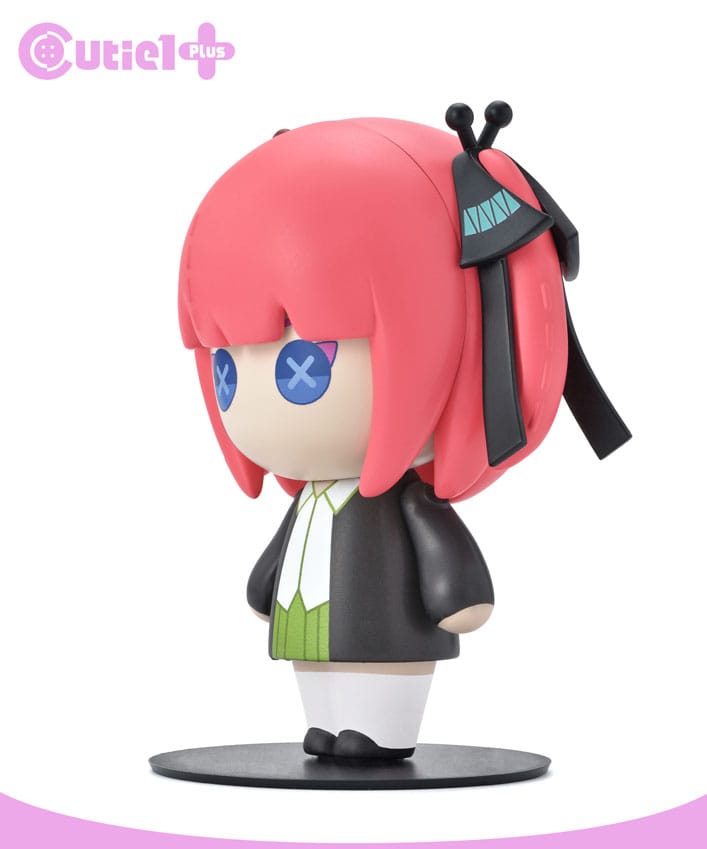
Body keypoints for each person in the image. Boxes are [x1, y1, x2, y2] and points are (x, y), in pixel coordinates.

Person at [177, 108, 629, 760]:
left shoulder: (408, 502)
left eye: (304, 366)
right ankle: (326, 724)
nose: (248, 400)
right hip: (310, 624)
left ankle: (381, 730)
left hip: (387, 632)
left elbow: (444, 559)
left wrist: (458, 596)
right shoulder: (311, 498)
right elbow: (284, 551)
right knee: (316, 671)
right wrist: (263, 586)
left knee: (375, 677)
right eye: (224, 368)